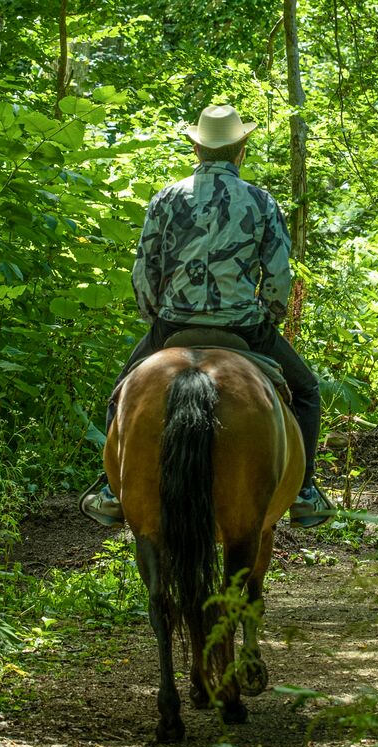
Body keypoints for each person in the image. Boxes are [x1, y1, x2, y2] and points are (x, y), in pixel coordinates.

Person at [80, 103, 335, 528]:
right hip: (243, 327)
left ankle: (112, 491)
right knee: (306, 390)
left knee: (121, 393)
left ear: (197, 149)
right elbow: (277, 274)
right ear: (241, 150)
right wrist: (267, 317)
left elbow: (145, 271)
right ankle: (305, 491)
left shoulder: (166, 198)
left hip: (174, 325)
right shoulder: (261, 201)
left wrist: (155, 318)